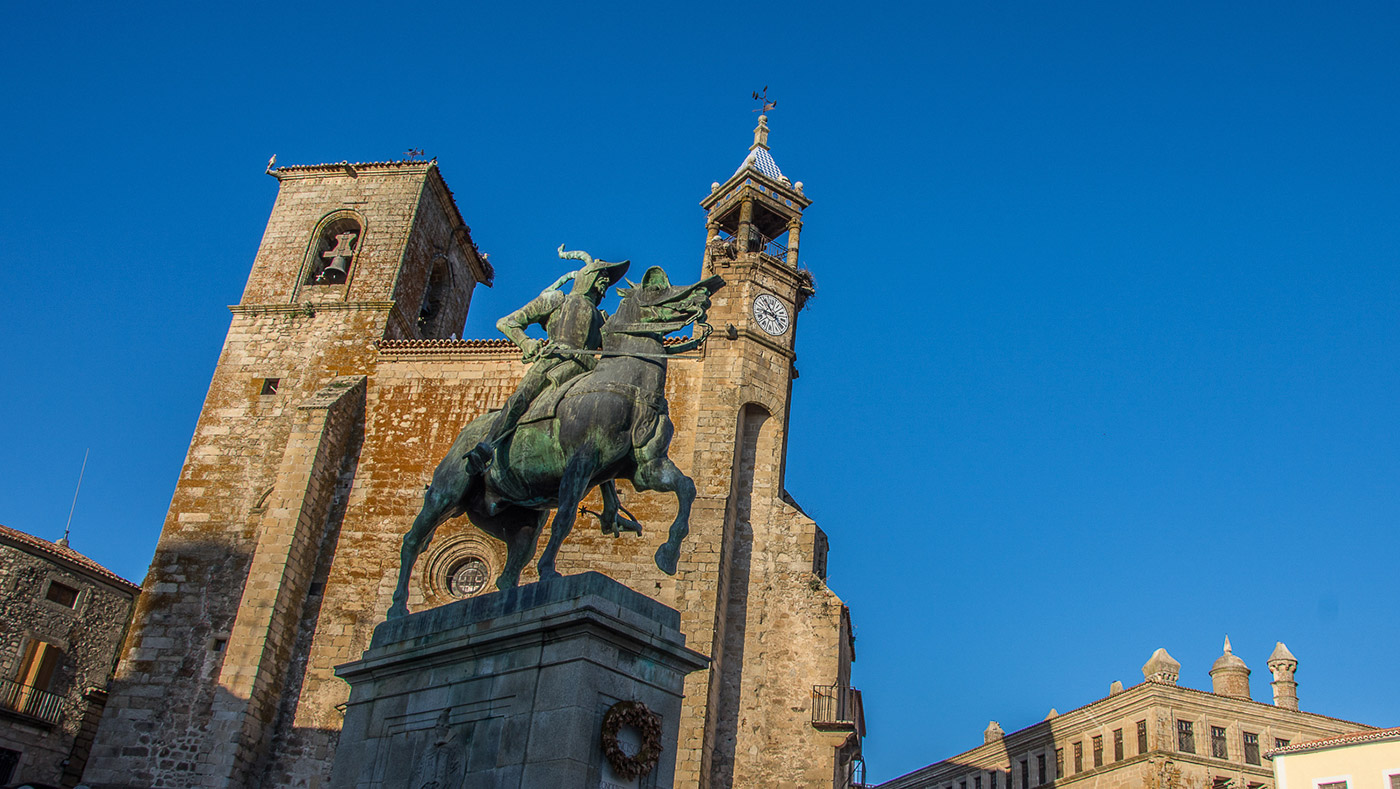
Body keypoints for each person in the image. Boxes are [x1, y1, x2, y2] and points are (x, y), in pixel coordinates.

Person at [464, 246, 630, 473]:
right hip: (555, 360)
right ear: (588, 278)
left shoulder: (602, 318)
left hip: (587, 371)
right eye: (602, 277)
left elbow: (620, 347)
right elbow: (507, 322)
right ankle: (486, 446)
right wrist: (526, 343)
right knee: (521, 397)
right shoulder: (555, 301)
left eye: (607, 280)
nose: (606, 283)